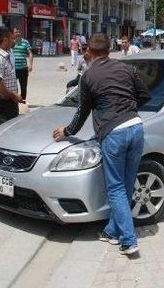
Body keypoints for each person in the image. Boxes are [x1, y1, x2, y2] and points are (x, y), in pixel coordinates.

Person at [52, 33, 151, 256]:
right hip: (136, 128)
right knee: (126, 185)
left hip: (113, 133)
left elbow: (82, 111)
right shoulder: (126, 69)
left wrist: (66, 131)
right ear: (109, 49)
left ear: (89, 52)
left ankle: (128, 240)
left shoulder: (88, 76)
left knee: (115, 188)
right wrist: (128, 108)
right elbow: (145, 95)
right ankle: (112, 231)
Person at [0, 27, 24, 128]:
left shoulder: (5, 55)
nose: (13, 41)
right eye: (12, 38)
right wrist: (13, 96)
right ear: (5, 40)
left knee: (11, 133)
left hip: (8, 102)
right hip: (0, 105)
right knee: (2, 136)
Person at [11, 28, 34, 101]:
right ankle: (15, 101)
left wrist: (30, 65)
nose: (17, 33)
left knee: (23, 87)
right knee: (13, 86)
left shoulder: (25, 42)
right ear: (13, 34)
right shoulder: (10, 42)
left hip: (23, 68)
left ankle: (23, 101)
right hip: (12, 69)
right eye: (16, 32)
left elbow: (30, 53)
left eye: (19, 32)